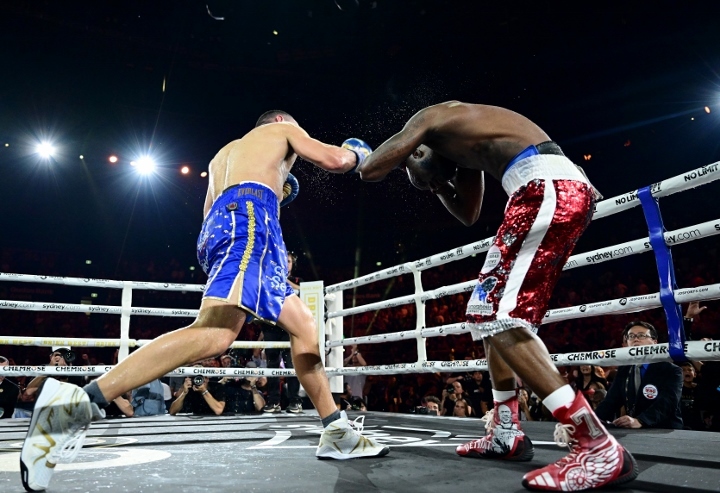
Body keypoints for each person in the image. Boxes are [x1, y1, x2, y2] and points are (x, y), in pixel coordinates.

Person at [20, 110, 389, 492]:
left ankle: (336, 431)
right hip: (251, 221)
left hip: (226, 226)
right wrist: (357, 154)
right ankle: (75, 402)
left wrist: (272, 192)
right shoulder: (283, 130)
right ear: (280, 121)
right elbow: (335, 160)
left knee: (304, 326)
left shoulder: (224, 155)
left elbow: (211, 217)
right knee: (214, 335)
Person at [359, 101, 637, 491]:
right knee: (486, 314)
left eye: (418, 155)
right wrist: (439, 184)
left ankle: (595, 445)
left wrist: (360, 153)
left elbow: (370, 169)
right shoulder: (468, 149)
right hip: (546, 190)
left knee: (499, 318)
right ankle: (506, 431)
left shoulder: (432, 116)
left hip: (544, 188)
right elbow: (468, 213)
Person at [595, 321, 683, 429]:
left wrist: (641, 420)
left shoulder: (671, 370)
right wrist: (591, 420)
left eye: (641, 335)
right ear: (627, 343)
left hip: (665, 430)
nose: (636, 339)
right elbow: (610, 402)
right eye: (631, 336)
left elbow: (667, 402)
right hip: (634, 432)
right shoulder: (624, 369)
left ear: (654, 342)